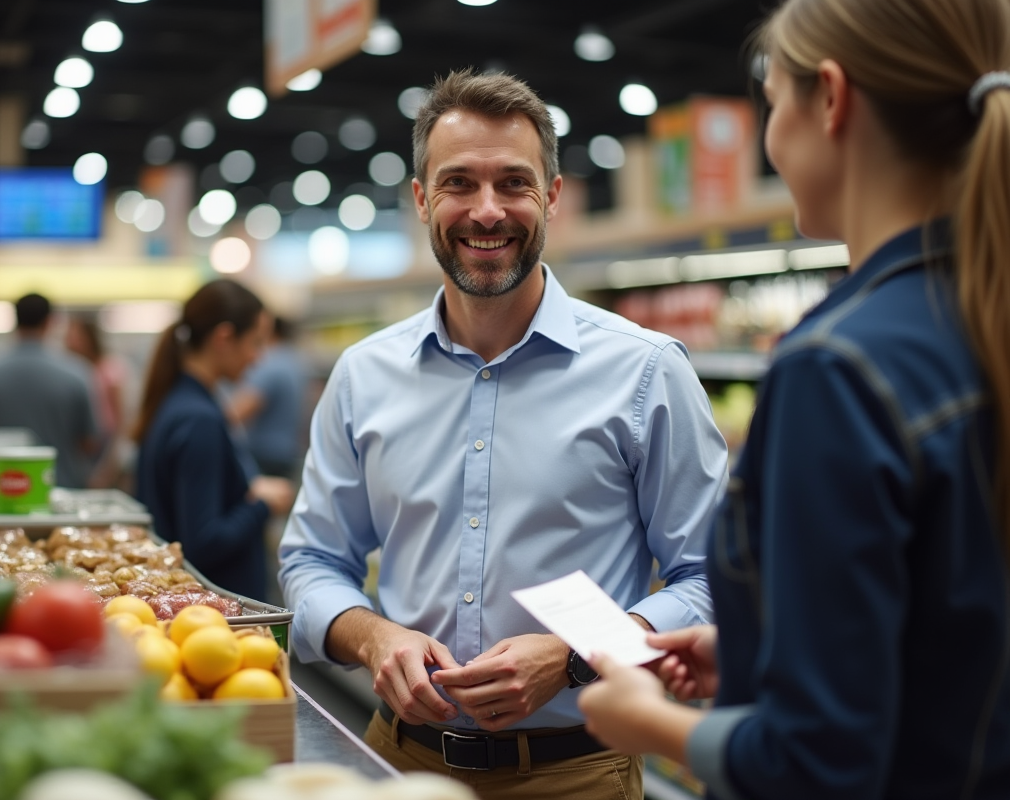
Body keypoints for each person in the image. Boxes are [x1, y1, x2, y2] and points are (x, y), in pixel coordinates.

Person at [576, 1, 1010, 799]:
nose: (772, 136)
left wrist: (649, 721)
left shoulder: (839, 367)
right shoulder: (975, 319)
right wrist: (762, 648)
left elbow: (818, 764)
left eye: (772, 102)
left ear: (833, 100)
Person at [278, 69, 728, 799]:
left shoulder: (646, 373)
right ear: (422, 200)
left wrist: (575, 654)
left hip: (579, 772)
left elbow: (712, 578)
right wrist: (372, 636)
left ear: (551, 197)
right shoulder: (363, 375)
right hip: (399, 761)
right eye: (459, 183)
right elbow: (310, 562)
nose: (487, 212)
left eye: (513, 184)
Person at [134, 280, 295, 604]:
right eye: (256, 342)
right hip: (213, 614)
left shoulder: (178, 401)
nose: (258, 359)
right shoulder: (199, 419)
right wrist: (262, 505)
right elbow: (204, 542)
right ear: (224, 338)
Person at [0, 293, 100, 488]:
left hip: (2, 490)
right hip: (61, 488)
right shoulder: (78, 373)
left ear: (15, 319)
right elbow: (89, 443)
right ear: (50, 322)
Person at [227, 316, 308, 479]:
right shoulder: (295, 362)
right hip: (288, 453)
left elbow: (237, 412)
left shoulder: (270, 363)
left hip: (264, 457)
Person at [66, 315, 131, 489]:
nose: (70, 341)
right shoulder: (71, 370)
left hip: (104, 441)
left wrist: (111, 465)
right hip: (81, 441)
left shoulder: (110, 368)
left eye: (76, 336)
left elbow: (120, 419)